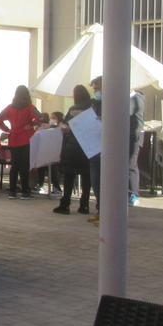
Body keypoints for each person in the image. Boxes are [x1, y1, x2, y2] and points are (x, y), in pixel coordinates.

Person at [53, 86, 94, 215]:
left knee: (69, 176)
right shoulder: (93, 107)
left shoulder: (72, 109)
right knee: (87, 177)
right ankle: (84, 205)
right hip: (88, 146)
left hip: (73, 146)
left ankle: (65, 204)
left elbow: (64, 125)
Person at [0, 85, 38, 199]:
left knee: (14, 165)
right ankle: (25, 191)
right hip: (26, 138)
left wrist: (7, 130)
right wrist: (32, 125)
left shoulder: (10, 108)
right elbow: (40, 118)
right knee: (25, 165)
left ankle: (12, 191)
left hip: (13, 138)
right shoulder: (30, 107)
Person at [87, 76, 103, 224]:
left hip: (105, 147)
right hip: (93, 147)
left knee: (105, 181)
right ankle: (100, 210)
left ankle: (106, 214)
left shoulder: (113, 102)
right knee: (96, 181)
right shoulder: (95, 103)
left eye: (97, 88)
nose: (95, 91)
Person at [129, 89, 146, 206]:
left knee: (131, 164)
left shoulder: (134, 99)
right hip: (131, 135)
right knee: (130, 165)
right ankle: (131, 193)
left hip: (134, 136)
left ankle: (133, 194)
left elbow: (127, 113)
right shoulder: (135, 98)